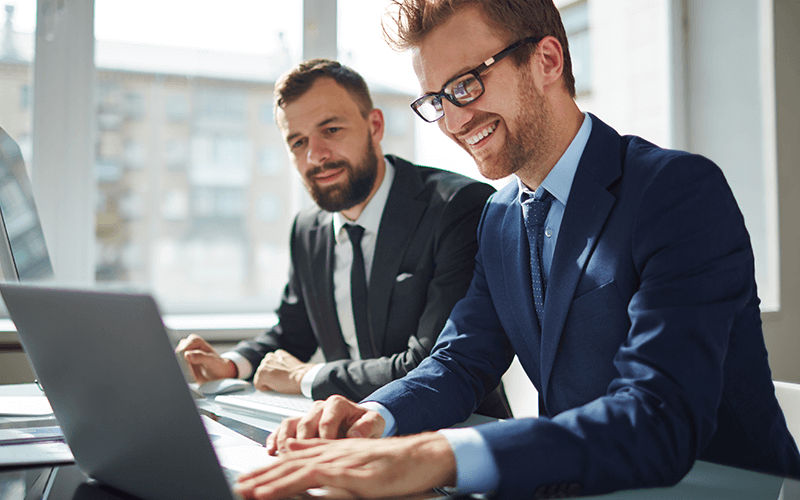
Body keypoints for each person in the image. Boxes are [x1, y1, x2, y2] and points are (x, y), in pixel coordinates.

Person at [232, 1, 800, 499]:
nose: (452, 121)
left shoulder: (675, 191)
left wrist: (440, 454)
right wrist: (374, 417)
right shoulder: (499, 217)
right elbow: (460, 359)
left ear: (547, 61)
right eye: (436, 99)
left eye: (466, 86)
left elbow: (658, 417)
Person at [175, 59, 509, 417]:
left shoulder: (457, 207)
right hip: (348, 435)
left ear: (375, 126)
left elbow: (430, 364)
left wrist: (308, 377)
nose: (315, 155)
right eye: (298, 141)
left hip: (455, 433)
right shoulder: (308, 229)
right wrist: (232, 364)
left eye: (331, 130)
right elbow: (292, 333)